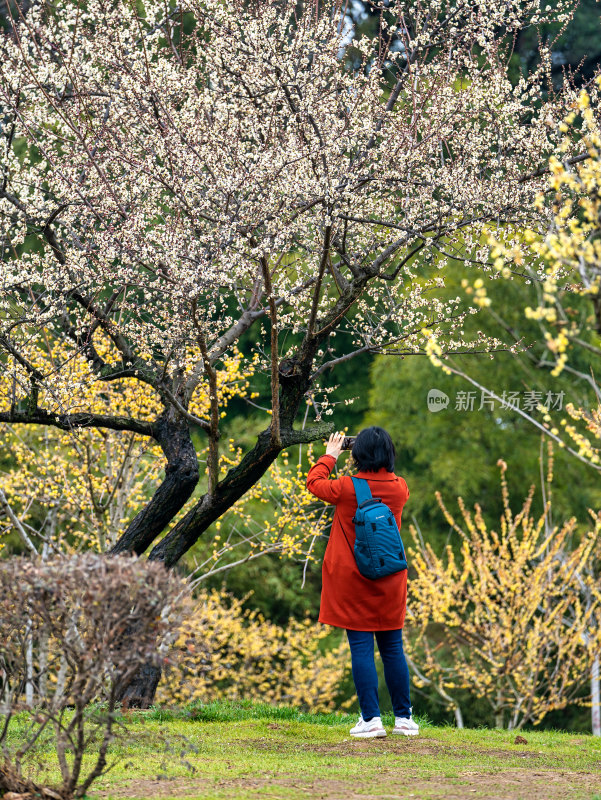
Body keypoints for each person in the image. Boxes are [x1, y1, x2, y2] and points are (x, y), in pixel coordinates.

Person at [306, 426, 418, 739]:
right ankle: (404, 719)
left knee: (361, 648)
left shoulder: (346, 488)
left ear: (358, 455)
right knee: (393, 648)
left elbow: (314, 483)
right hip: (390, 577)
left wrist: (330, 455)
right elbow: (387, 482)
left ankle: (371, 719)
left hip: (354, 580)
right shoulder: (400, 488)